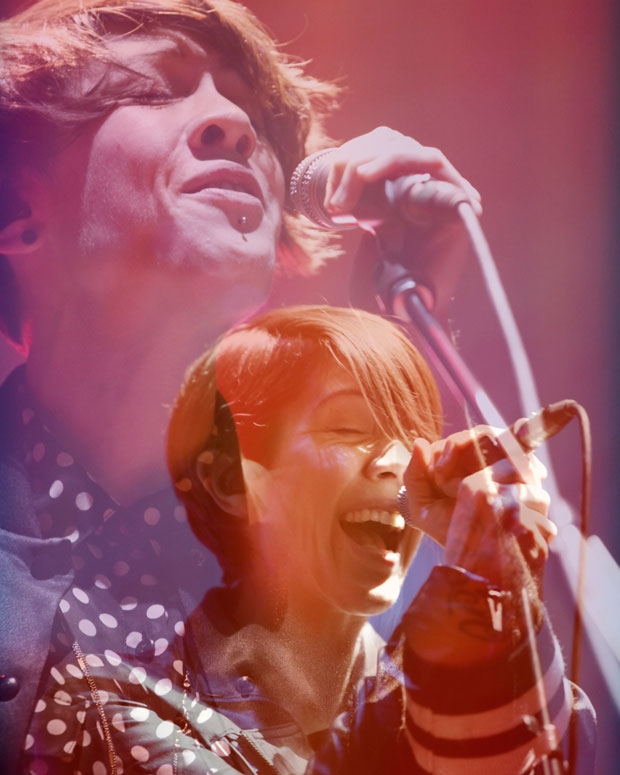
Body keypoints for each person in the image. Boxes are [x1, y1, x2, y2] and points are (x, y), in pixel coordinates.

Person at [0, 0, 483, 771]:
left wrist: (396, 337)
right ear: (17, 209)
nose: (233, 123)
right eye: (156, 90)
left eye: (247, 106)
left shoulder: (331, 521)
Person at [22, 305, 592, 773]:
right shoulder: (118, 705)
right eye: (349, 429)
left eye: (415, 435)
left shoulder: (506, 689)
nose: (400, 463)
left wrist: (497, 590)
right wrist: (471, 593)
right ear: (232, 482)